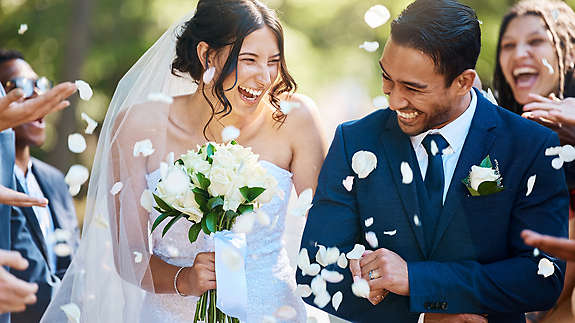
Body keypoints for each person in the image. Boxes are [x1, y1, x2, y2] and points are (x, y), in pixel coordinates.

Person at [41, 0, 326, 322]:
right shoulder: (139, 125)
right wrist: (183, 279)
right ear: (207, 54)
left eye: (273, 62)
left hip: (273, 311)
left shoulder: (295, 119)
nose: (264, 77)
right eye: (249, 60)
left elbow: (330, 224)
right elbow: (130, 255)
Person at [297, 0, 568, 322]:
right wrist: (425, 318)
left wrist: (416, 280)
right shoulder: (354, 141)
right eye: (387, 78)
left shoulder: (531, 145)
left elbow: (542, 276)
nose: (395, 100)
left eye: (413, 88)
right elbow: (314, 272)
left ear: (463, 82)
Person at [492, 1, 575, 322]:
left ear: (568, 54)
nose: (519, 54)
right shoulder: (495, 143)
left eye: (536, 41)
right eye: (508, 45)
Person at [0, 49, 80, 323]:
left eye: (39, 85)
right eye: (19, 86)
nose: (37, 96)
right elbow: (31, 280)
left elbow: (74, 263)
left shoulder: (55, 181)